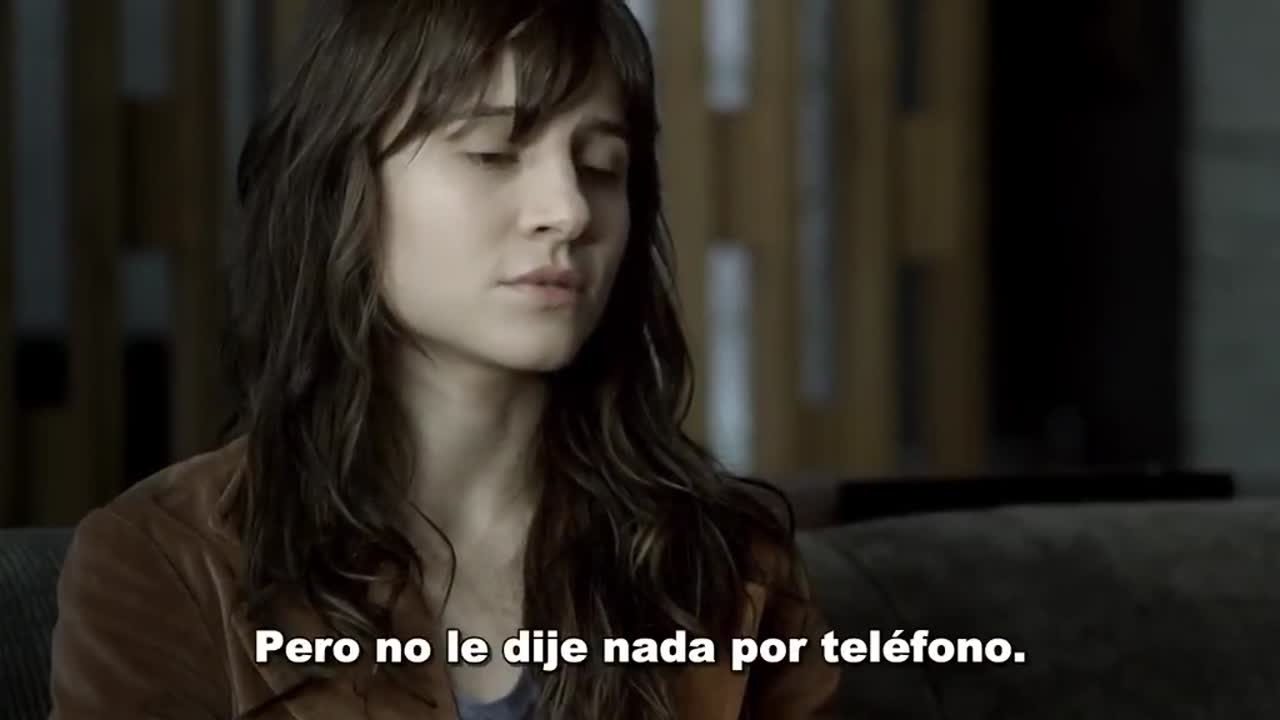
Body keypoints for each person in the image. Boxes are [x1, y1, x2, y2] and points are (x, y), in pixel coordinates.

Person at [47, 1, 840, 718]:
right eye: (494, 152)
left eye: (602, 166)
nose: (568, 210)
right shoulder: (168, 563)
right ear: (344, 184)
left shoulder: (726, 563)